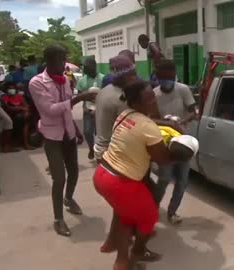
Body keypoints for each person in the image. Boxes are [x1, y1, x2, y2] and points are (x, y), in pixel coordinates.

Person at [93, 80, 192, 270]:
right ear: (137, 103)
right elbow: (162, 159)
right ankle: (137, 251)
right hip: (121, 182)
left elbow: (147, 123)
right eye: (149, 100)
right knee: (149, 217)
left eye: (153, 98)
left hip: (102, 174)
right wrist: (182, 152)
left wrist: (167, 122)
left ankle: (120, 257)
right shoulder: (148, 128)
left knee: (126, 217)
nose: (154, 102)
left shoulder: (124, 114)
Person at [29, 44, 96, 237]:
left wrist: (76, 129)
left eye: (65, 59)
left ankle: (69, 199)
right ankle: (58, 219)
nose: (64, 64)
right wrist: (80, 98)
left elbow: (66, 110)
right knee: (59, 178)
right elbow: (50, 110)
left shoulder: (64, 80)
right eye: (61, 60)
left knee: (74, 170)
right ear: (49, 61)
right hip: (52, 136)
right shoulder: (37, 82)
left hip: (68, 133)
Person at [153, 59, 197, 224]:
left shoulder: (183, 90)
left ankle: (172, 211)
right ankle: (153, 209)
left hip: (183, 142)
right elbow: (151, 119)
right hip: (165, 144)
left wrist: (182, 121)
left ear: (174, 75)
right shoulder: (154, 94)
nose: (167, 82)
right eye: (163, 78)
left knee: (182, 180)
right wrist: (167, 123)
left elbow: (194, 112)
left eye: (170, 78)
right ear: (158, 78)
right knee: (164, 178)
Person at [76, 58, 104, 160]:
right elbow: (79, 96)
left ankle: (100, 154)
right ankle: (91, 148)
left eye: (87, 67)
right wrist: (84, 108)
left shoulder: (103, 78)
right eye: (84, 67)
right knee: (87, 132)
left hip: (101, 110)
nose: (84, 69)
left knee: (100, 133)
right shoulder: (82, 81)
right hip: (88, 109)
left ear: (94, 66)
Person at [0, 82, 32, 149]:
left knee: (25, 120)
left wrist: (24, 111)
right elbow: (8, 108)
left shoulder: (19, 96)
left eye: (13, 88)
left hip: (20, 116)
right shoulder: (5, 97)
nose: (11, 90)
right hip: (10, 116)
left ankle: (26, 143)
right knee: (20, 119)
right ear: (6, 90)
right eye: (10, 89)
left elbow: (26, 106)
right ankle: (21, 143)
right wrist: (20, 108)